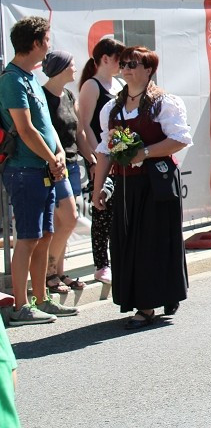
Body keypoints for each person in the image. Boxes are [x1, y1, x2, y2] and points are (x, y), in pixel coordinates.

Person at [91, 46, 191, 327]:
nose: (127, 68)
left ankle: (150, 305)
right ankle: (150, 297)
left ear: (148, 70)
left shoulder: (164, 103)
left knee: (155, 241)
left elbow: (180, 139)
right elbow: (105, 150)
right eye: (124, 63)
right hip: (126, 185)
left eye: (134, 63)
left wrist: (144, 152)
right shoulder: (112, 107)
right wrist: (98, 188)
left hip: (157, 183)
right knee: (128, 242)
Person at [0, 17, 79, 325]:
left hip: (44, 168)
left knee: (45, 235)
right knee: (28, 238)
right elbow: (25, 127)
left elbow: (46, 126)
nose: (49, 45)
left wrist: (58, 153)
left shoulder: (31, 78)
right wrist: (51, 159)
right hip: (25, 170)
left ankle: (41, 299)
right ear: (34, 43)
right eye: (46, 39)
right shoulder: (12, 80)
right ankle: (20, 307)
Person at [42, 51, 94, 294]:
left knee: (64, 222)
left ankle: (58, 272)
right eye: (72, 65)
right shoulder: (42, 97)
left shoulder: (69, 95)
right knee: (68, 219)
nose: (76, 69)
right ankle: (49, 272)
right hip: (53, 167)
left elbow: (80, 132)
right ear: (61, 68)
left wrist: (91, 159)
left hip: (73, 165)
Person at [78, 37, 125, 285]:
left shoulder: (117, 83)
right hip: (100, 156)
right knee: (102, 209)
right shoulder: (91, 85)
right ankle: (101, 264)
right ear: (105, 58)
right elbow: (84, 125)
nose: (122, 63)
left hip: (117, 155)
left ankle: (115, 260)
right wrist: (95, 157)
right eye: (118, 58)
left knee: (116, 208)